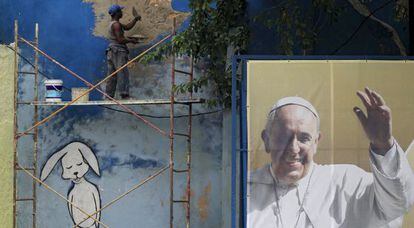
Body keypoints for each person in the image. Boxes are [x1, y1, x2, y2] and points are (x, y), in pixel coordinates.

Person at [247, 88, 414, 228]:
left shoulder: (346, 181)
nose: (293, 148)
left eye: (304, 138)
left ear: (316, 142)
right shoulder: (244, 189)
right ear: (266, 140)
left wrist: (383, 145)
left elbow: (397, 204)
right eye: (284, 137)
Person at [106, 4, 141, 99]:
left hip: (111, 51)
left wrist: (135, 19)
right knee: (122, 72)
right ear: (117, 13)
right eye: (120, 11)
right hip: (118, 51)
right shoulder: (116, 25)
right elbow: (120, 40)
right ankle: (124, 94)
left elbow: (127, 27)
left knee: (112, 74)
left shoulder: (114, 23)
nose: (122, 12)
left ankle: (109, 95)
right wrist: (131, 40)